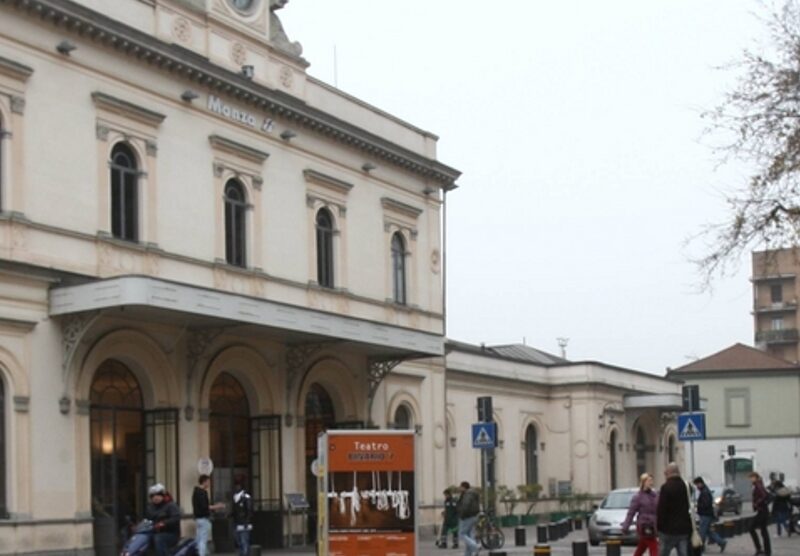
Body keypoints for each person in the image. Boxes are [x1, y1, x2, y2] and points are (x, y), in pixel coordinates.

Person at [656, 462, 692, 556]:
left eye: (665, 473)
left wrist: (659, 526)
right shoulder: (686, 487)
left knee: (664, 552)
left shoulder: (666, 488)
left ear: (669, 473)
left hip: (667, 529)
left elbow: (662, 509)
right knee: (683, 553)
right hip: (683, 528)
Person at [621, 473, 659, 556]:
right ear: (644, 482)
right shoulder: (638, 497)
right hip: (644, 525)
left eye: (651, 480)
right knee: (654, 546)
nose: (651, 483)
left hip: (653, 525)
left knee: (642, 546)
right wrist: (625, 526)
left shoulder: (655, 495)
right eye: (649, 481)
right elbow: (631, 513)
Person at [192, 474, 226, 556]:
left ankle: (199, 553)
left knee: (199, 539)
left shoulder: (195, 492)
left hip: (198, 518)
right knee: (203, 540)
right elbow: (205, 507)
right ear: (204, 482)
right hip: (203, 518)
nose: (209, 484)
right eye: (208, 482)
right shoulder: (202, 493)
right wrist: (218, 506)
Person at [144, 483, 181, 556]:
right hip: (154, 533)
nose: (155, 497)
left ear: (163, 495)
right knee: (144, 540)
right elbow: (146, 520)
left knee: (159, 538)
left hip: (171, 534)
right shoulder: (150, 508)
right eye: (153, 496)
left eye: (158, 494)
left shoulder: (170, 505)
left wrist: (163, 523)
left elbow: (176, 517)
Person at [693, 477, 727, 553]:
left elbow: (706, 504)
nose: (697, 487)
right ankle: (722, 542)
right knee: (709, 532)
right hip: (707, 514)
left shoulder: (705, 492)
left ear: (700, 483)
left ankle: (700, 547)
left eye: (697, 484)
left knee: (702, 531)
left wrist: (698, 507)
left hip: (705, 515)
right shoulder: (705, 491)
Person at [455, 481, 480, 556]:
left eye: (460, 487)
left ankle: (475, 546)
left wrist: (462, 515)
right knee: (468, 535)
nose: (459, 488)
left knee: (461, 534)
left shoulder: (467, 494)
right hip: (473, 516)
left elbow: (466, 505)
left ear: (464, 487)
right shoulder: (472, 493)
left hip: (467, 516)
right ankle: (468, 554)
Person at [749, 472, 771, 555]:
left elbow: (764, 495)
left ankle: (759, 549)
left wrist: (757, 503)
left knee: (752, 528)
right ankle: (766, 551)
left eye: (751, 477)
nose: (750, 479)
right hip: (763, 510)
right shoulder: (758, 484)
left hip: (762, 511)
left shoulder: (758, 485)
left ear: (755, 477)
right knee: (763, 530)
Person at [232, 480, 253, 556]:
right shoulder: (234, 497)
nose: (236, 487)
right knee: (239, 541)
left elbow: (249, 510)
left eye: (238, 486)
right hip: (237, 522)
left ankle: (245, 554)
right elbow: (235, 510)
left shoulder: (246, 497)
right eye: (236, 486)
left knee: (244, 541)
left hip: (244, 522)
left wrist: (247, 521)